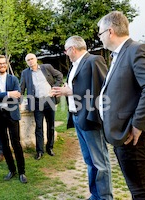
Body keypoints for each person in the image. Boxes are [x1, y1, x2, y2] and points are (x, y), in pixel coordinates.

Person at [98, 11, 145, 199]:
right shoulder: (118, 54)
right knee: (136, 190)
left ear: (110, 31)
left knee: (142, 193)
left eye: (100, 33)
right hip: (122, 135)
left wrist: (138, 125)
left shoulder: (137, 49)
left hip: (133, 136)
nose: (100, 38)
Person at [52, 36, 113, 200]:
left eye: (66, 50)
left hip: (91, 118)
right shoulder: (73, 66)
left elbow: (103, 89)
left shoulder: (94, 60)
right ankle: (96, 194)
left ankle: (106, 197)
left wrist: (70, 91)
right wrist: (67, 89)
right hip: (77, 117)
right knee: (89, 160)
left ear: (72, 49)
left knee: (100, 162)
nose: (66, 53)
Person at [0, 55, 27, 184]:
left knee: (16, 143)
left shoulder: (13, 79)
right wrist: (8, 94)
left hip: (12, 114)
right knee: (4, 145)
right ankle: (12, 170)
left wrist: (0, 94)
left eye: (4, 63)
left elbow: (17, 96)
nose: (2, 65)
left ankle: (22, 172)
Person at [20, 53, 63, 160]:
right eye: (28, 60)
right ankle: (39, 151)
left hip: (49, 100)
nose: (30, 61)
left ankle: (50, 147)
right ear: (26, 62)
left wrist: (55, 87)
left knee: (51, 125)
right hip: (37, 102)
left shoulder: (46, 67)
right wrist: (18, 100)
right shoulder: (25, 73)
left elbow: (59, 76)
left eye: (32, 58)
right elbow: (21, 88)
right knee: (39, 127)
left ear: (36, 59)